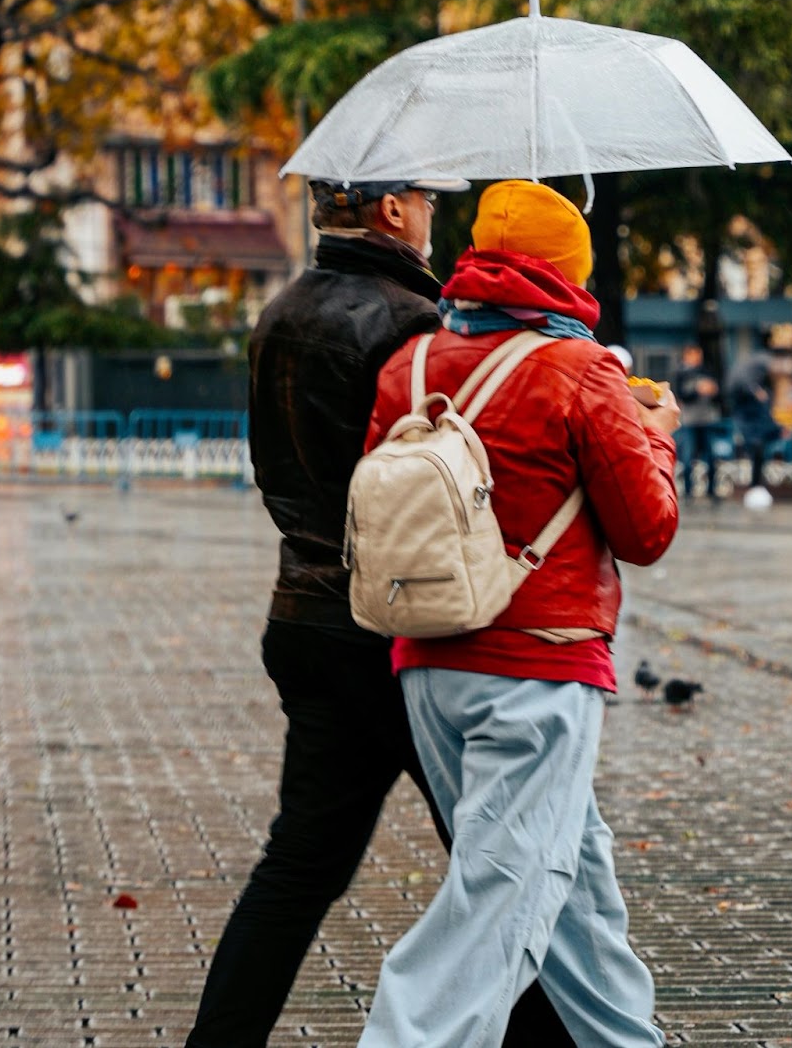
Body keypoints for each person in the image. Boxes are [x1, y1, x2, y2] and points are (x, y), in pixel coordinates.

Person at [184, 177, 573, 1048]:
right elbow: (444, 483)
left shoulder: (279, 312)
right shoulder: (414, 322)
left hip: (305, 613)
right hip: (399, 626)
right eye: (427, 199)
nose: (437, 214)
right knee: (500, 866)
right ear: (392, 208)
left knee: (298, 867)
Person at [358, 180, 680, 1048]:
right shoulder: (583, 372)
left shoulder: (411, 365)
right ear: (569, 273)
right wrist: (655, 430)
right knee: (498, 901)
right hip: (538, 670)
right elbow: (646, 530)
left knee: (572, 887)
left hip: (428, 663)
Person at [726, 339, 781, 510]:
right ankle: (756, 485)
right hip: (753, 426)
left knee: (758, 453)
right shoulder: (759, 369)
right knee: (757, 452)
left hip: (754, 426)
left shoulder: (751, 371)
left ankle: (756, 484)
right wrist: (756, 392)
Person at [673, 342, 722, 502]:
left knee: (711, 456)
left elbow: (718, 393)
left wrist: (713, 390)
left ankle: (712, 489)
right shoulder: (681, 373)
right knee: (687, 457)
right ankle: (688, 490)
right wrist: (697, 390)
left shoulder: (706, 370)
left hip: (707, 417)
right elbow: (681, 394)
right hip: (690, 419)